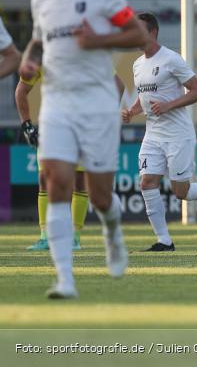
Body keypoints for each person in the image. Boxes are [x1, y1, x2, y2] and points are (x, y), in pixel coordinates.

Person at [20, 0, 149, 299]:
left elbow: (137, 34)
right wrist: (29, 59)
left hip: (96, 104)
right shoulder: (41, 1)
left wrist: (98, 40)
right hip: (56, 105)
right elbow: (37, 41)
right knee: (56, 183)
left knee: (100, 196)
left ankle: (112, 232)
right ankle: (65, 279)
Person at [122, 12, 197, 251]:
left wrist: (169, 105)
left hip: (178, 134)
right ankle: (164, 241)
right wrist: (132, 111)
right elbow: (144, 97)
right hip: (153, 134)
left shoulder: (171, 59)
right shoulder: (137, 64)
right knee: (147, 183)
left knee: (181, 192)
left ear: (153, 33)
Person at [17, 68, 125, 251]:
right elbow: (21, 90)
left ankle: (74, 237)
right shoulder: (43, 56)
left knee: (80, 182)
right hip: (52, 127)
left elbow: (118, 85)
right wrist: (27, 126)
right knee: (45, 179)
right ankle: (45, 237)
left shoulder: (88, 55)